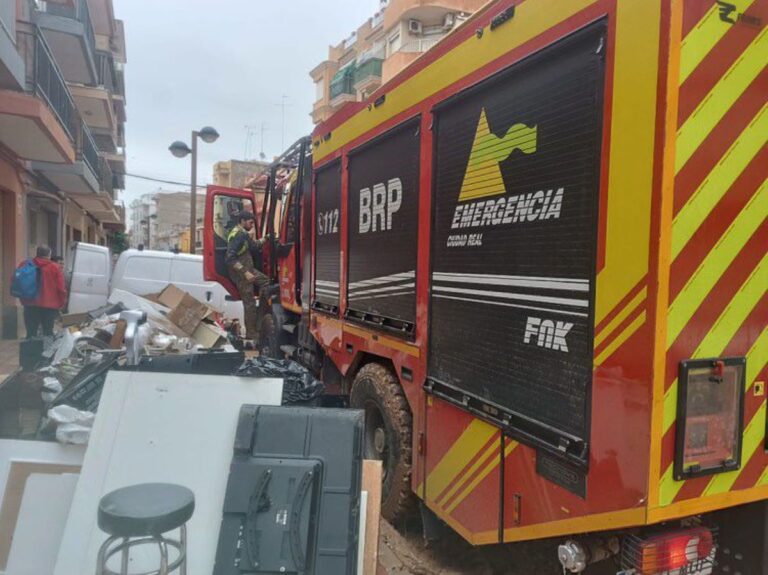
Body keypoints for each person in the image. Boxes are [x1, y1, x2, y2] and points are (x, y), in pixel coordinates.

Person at [225, 211, 269, 341]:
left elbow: (254, 246)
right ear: (243, 221)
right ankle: (251, 333)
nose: (252, 225)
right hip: (241, 273)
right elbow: (230, 259)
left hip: (248, 269)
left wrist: (266, 238)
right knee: (249, 303)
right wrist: (245, 272)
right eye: (250, 222)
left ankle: (260, 320)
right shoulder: (237, 234)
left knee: (266, 283)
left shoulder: (243, 233)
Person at [18, 245, 67, 338]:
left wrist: (23, 299)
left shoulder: (24, 264)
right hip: (49, 307)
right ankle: (45, 351)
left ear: (37, 253)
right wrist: (61, 303)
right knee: (48, 332)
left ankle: (30, 351)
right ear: (49, 255)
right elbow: (61, 288)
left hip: (30, 305)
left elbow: (16, 281)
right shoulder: (55, 267)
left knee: (31, 333)